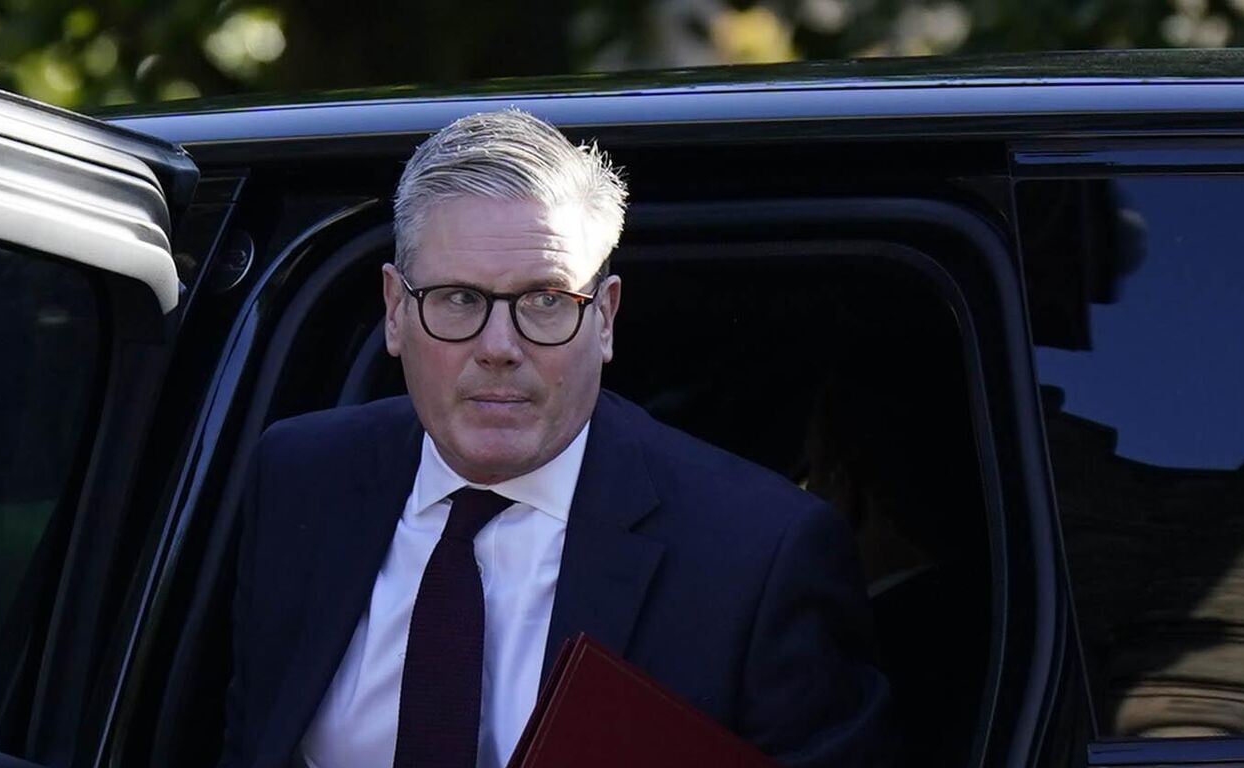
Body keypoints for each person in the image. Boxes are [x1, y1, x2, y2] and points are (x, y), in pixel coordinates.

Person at [220, 109, 888, 768]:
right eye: (458, 298)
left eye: (544, 300)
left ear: (604, 318)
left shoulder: (757, 554)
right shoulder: (300, 476)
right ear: (396, 311)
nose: (500, 347)